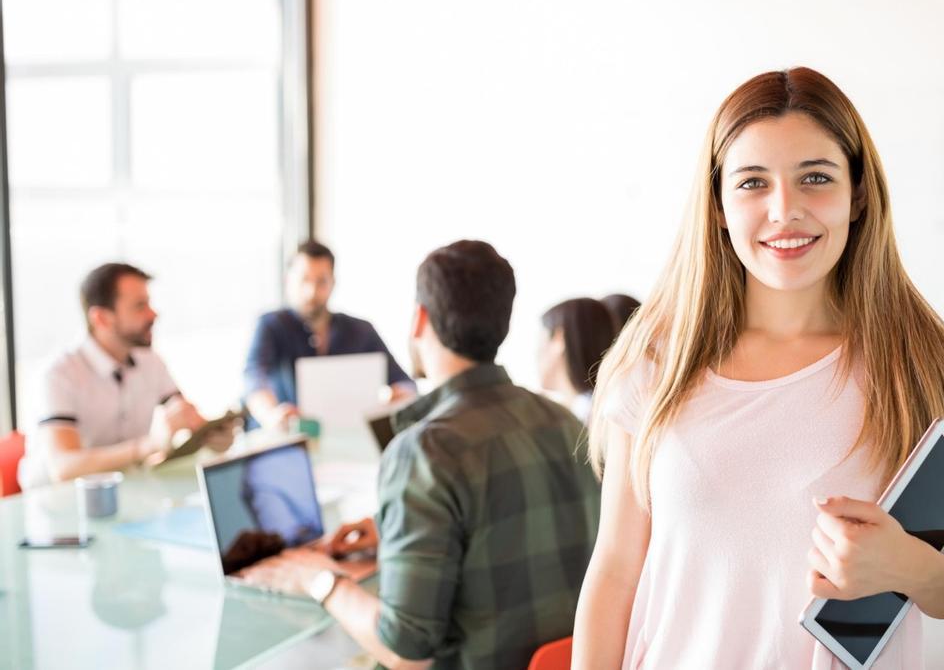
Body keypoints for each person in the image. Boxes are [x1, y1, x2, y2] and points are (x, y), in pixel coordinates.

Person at [572, 68, 944, 668]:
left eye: (815, 178)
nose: (785, 211)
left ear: (857, 195)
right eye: (752, 183)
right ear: (719, 205)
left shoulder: (924, 365)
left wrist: (905, 565)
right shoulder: (654, 364)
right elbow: (615, 572)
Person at [246, 240, 601, 670]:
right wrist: (395, 527)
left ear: (420, 319)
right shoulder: (563, 422)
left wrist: (318, 580)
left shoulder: (425, 452)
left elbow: (405, 649)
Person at [19, 263, 236, 488]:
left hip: (126, 491)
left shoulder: (149, 360)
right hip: (55, 503)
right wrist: (148, 446)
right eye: (139, 306)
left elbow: (187, 417)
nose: (153, 314)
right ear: (101, 318)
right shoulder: (59, 374)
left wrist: (212, 438)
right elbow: (64, 467)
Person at [243, 241, 416, 430]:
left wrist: (397, 399)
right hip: (288, 440)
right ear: (288, 280)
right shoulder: (271, 325)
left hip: (348, 438)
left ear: (333, 282)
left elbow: (405, 383)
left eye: (321, 281)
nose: (311, 291)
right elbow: (254, 377)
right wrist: (270, 414)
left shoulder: (361, 330)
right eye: (304, 279)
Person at [537, 297, 617, 422]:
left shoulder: (584, 418)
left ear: (559, 340)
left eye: (540, 341)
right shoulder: (605, 406)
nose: (536, 353)